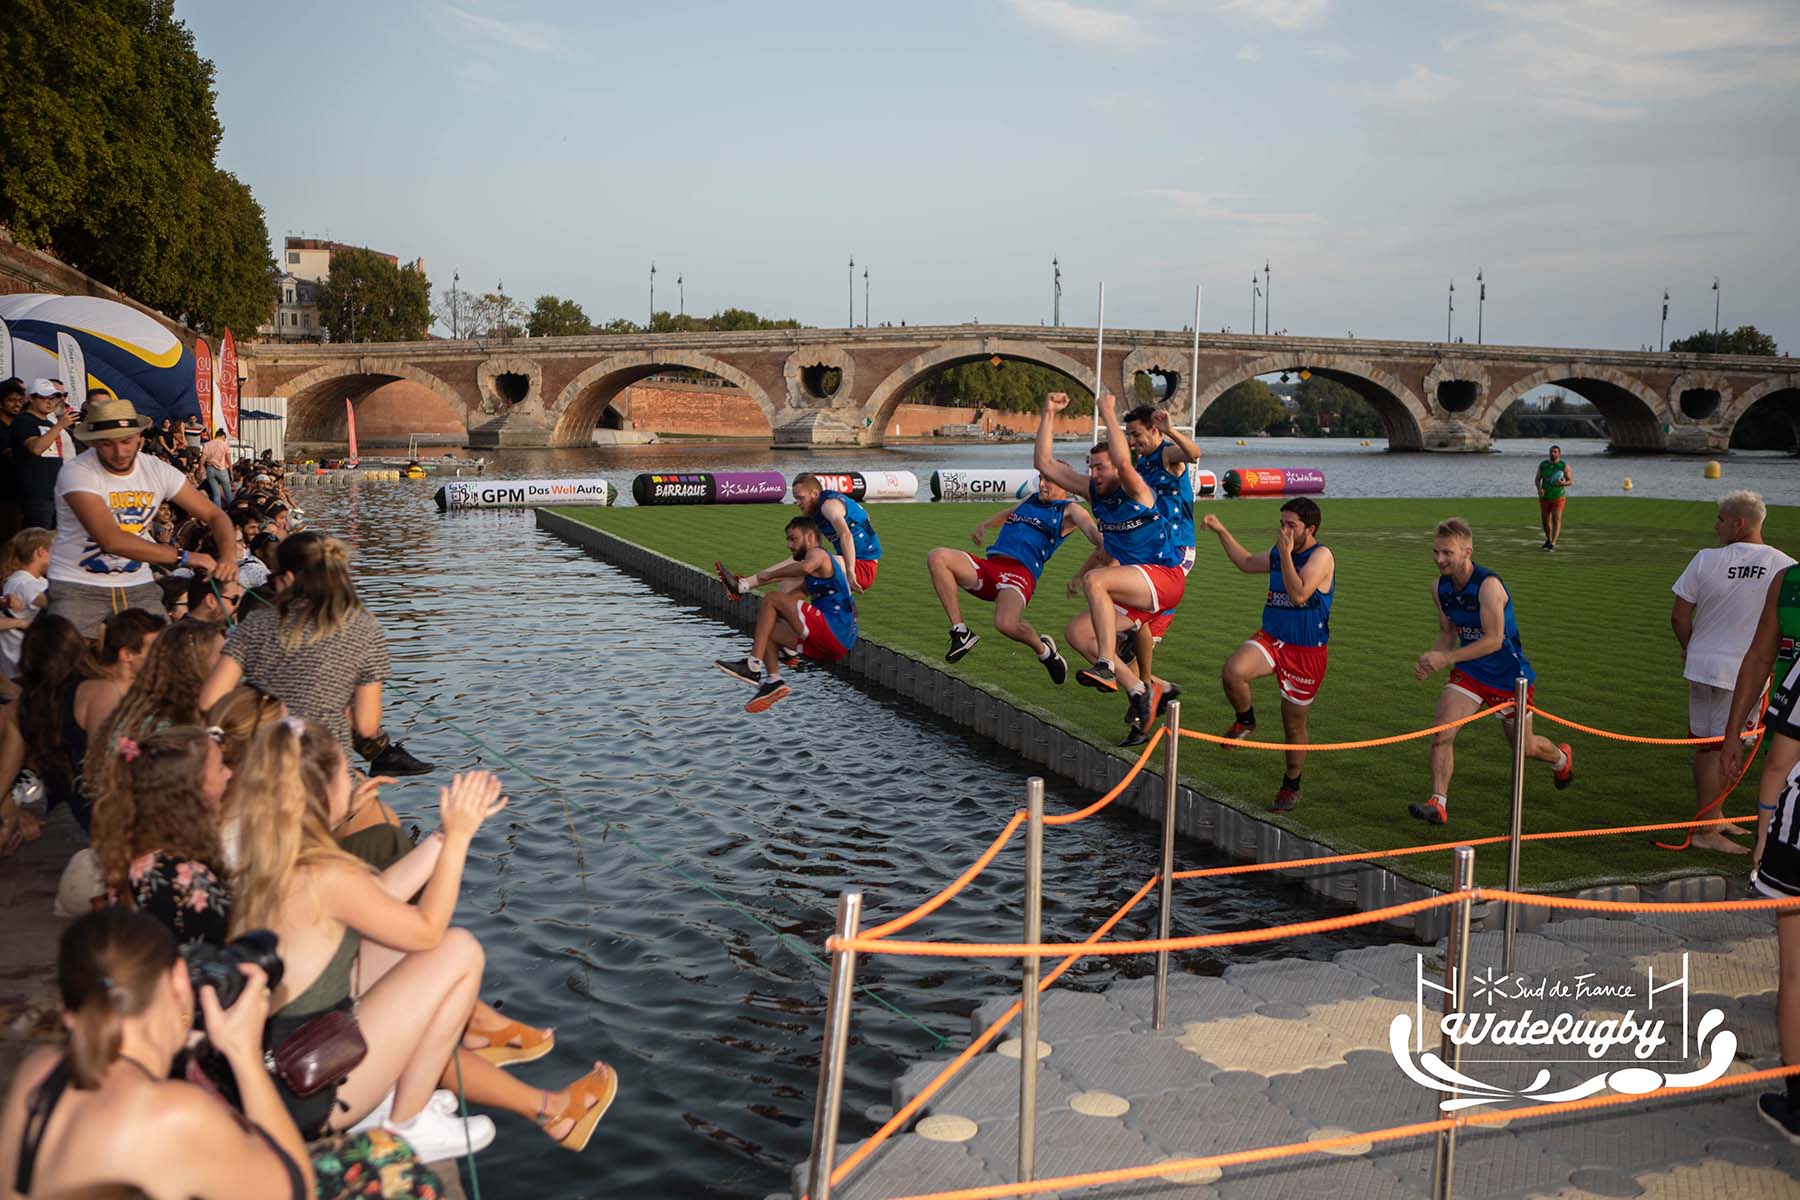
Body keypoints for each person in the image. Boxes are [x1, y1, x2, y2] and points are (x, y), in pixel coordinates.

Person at [0, 909, 321, 1198]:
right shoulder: (173, 1114)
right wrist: (244, 1054)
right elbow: (296, 1189)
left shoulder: (38, 1071)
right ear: (179, 981)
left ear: (68, 1013)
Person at [197, 531, 432, 777]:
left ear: (288, 578)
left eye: (274, 579)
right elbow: (366, 726)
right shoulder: (365, 628)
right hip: (328, 771)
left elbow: (209, 700)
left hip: (264, 768)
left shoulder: (255, 624)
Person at [1034, 391, 1186, 732]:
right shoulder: (1094, 492)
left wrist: (1107, 413)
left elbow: (1124, 462)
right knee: (1076, 633)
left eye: (1100, 467)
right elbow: (1044, 464)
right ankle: (1139, 690)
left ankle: (1105, 663)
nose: (1094, 474)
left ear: (1116, 465)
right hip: (1134, 590)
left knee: (1097, 579)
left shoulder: (1136, 489)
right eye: (1091, 468)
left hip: (1165, 579)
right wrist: (1048, 413)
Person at [1410, 518, 1573, 825]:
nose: (1439, 559)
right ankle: (1438, 803)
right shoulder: (1439, 588)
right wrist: (1432, 660)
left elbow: (1494, 640)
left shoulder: (1488, 586)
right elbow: (1447, 632)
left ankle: (1561, 759)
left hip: (1509, 678)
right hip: (1471, 673)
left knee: (1524, 748)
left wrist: (1447, 658)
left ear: (1467, 552)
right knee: (1441, 732)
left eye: (1447, 553)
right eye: (1435, 552)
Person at [47, 394, 238, 638]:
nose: (119, 452)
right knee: (68, 655)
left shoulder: (156, 470)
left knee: (160, 652)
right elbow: (110, 540)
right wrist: (185, 556)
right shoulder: (77, 472)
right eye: (107, 444)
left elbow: (214, 514)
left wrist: (229, 557)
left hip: (136, 583)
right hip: (78, 584)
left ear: (140, 437)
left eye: (126, 441)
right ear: (93, 443)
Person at [1718, 565, 1800, 1139]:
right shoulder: (1785, 582)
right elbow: (1759, 653)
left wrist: (1764, 828)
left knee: (1795, 973)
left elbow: (1778, 762)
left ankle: (1797, 1104)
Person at [1670, 490, 1795, 853]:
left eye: (1721, 519)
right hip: (1742, 670)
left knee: (1706, 744)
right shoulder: (1784, 566)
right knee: (1725, 745)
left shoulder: (1705, 558)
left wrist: (1689, 646)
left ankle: (1712, 817)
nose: (1716, 525)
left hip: (1701, 665)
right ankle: (1707, 829)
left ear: (1740, 523)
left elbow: (1679, 614)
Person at [1201, 499, 1336, 812]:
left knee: (1293, 725)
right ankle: (1245, 720)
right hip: (1273, 638)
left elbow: (1299, 594)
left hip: (1306, 650)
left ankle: (1291, 784)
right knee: (1233, 671)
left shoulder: (1321, 556)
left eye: (1291, 525)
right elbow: (1247, 562)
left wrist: (1285, 554)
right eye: (1282, 524)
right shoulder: (1280, 551)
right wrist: (1221, 531)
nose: (1284, 531)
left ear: (1310, 529)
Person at [924, 477, 1100, 680]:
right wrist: (985, 524)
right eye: (1041, 479)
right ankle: (960, 632)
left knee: (1006, 624)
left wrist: (1092, 559)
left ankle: (1045, 652)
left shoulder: (1071, 510)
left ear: (1065, 485)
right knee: (937, 557)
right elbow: (1009, 513)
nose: (1042, 484)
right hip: (992, 566)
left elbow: (1093, 534)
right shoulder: (1031, 499)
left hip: (1020, 573)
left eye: (1049, 480)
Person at [91, 725, 234, 946]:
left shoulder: (143, 855)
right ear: (193, 789)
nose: (229, 773)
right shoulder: (182, 877)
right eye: (220, 767)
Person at [713, 517, 859, 713]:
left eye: (793, 539)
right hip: (838, 645)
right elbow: (794, 597)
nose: (789, 545)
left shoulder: (818, 553)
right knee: (769, 631)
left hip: (834, 629)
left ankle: (752, 666)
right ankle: (774, 680)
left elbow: (805, 567)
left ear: (809, 536)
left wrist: (770, 575)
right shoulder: (818, 575)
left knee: (771, 598)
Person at [0, 616, 100, 849]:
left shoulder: (22, 707)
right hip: (101, 812)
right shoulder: (96, 692)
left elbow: (5, 774)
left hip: (63, 811)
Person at [1123, 405, 1202, 573]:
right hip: (1151, 544)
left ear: (1153, 430)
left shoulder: (1167, 454)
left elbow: (1194, 454)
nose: (1131, 441)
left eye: (1136, 435)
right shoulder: (1142, 462)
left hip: (1177, 547)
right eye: (1128, 435)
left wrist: (1170, 431)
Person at [790, 473, 882, 593]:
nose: (797, 503)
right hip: (848, 562)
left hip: (862, 568)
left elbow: (846, 535)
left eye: (801, 498)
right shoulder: (817, 510)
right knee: (791, 583)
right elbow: (865, 517)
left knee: (806, 569)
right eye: (795, 498)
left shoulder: (828, 506)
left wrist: (850, 571)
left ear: (815, 494)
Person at [10, 379, 78, 530]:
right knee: (37, 535)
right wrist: (59, 426)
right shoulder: (24, 420)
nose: (50, 402)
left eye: (53, 398)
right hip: (35, 492)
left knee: (55, 536)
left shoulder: (50, 424)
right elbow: (36, 448)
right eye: (44, 397)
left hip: (55, 490)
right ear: (30, 398)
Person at [0, 526, 53, 682]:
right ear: (41, 552)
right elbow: (56, 602)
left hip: (25, 661)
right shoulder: (24, 583)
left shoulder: (35, 580)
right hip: (21, 666)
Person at [1534, 444, 1572, 550]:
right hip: (1545, 497)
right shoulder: (1543, 465)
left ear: (1559, 454)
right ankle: (1549, 539)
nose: (1552, 453)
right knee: (1545, 521)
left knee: (1556, 519)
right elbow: (1537, 479)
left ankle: (1553, 543)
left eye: (1555, 452)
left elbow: (1570, 481)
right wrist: (1539, 489)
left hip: (1558, 497)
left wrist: (1563, 483)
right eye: (1551, 451)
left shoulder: (1564, 466)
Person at [199, 427, 234, 507]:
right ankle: (232, 509)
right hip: (222, 470)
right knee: (228, 492)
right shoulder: (225, 444)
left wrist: (200, 469)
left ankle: (218, 511)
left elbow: (202, 458)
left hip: (210, 469)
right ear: (223, 436)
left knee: (216, 494)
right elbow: (228, 460)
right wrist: (231, 472)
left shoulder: (207, 444)